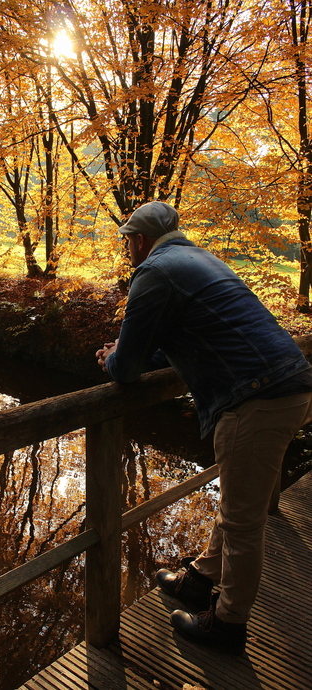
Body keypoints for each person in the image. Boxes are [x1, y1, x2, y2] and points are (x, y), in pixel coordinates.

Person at [96, 201, 312, 655]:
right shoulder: (198, 259)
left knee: (242, 521)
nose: (128, 250)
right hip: (288, 385)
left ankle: (227, 624)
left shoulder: (154, 272)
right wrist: (132, 353)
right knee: (241, 496)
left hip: (257, 398)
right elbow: (183, 342)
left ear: (137, 239)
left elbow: (130, 367)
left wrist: (112, 357)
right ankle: (199, 579)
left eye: (127, 242)